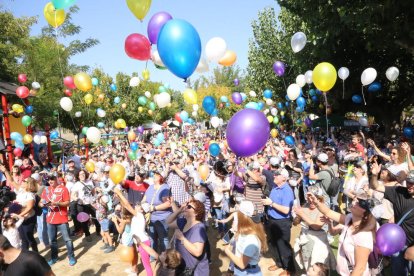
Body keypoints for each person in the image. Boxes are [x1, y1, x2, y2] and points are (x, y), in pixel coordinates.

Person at [307, 191, 377, 275]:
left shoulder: (363, 235)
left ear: (365, 215)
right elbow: (328, 212)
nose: (354, 202)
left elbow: (360, 268)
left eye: (360, 203)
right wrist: (316, 202)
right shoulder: (349, 219)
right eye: (356, 200)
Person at [370, 169, 414, 275]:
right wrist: (374, 175)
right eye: (409, 182)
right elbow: (376, 186)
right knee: (398, 273)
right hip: (397, 243)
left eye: (413, 183)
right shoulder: (399, 191)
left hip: (413, 245)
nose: (410, 185)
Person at [261, 169, 295, 274]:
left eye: (277, 175)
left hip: (282, 223)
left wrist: (271, 203)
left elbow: (286, 210)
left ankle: (289, 269)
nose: (274, 176)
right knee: (275, 244)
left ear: (284, 178)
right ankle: (280, 263)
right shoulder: (276, 187)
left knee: (284, 247)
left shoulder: (287, 191)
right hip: (272, 220)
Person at [292, 193, 336, 272]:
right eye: (309, 198)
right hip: (305, 239)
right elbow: (295, 223)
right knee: (307, 263)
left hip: (318, 242)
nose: (311, 201)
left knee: (319, 267)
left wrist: (302, 214)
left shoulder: (323, 209)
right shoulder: (305, 206)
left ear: (319, 199)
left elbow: (316, 226)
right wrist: (295, 215)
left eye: (313, 198)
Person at [114, 188, 153, 276]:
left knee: (146, 265)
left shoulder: (138, 215)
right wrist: (120, 198)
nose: (137, 206)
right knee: (146, 263)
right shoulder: (138, 216)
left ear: (142, 209)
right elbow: (125, 206)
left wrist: (119, 193)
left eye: (139, 206)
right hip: (142, 242)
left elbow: (127, 205)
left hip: (143, 243)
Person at [224, 200, 268, 275]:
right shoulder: (243, 230)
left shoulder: (251, 239)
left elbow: (242, 264)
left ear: (241, 216)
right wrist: (233, 231)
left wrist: (227, 251)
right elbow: (226, 240)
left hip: (248, 272)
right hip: (240, 270)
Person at [167, 199, 209, 276]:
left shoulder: (199, 228)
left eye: (189, 207)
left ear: (196, 213)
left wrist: (182, 238)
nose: (186, 207)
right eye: (186, 205)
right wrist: (180, 210)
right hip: (183, 267)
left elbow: (197, 252)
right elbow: (168, 222)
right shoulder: (184, 221)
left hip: (196, 271)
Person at [41, 174, 76, 266]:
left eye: (52, 179)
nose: (50, 181)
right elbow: (41, 202)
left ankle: (71, 256)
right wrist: (43, 204)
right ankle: (54, 258)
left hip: (62, 218)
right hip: (50, 219)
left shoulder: (63, 188)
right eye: (49, 180)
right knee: (52, 240)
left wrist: (57, 203)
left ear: (56, 179)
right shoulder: (46, 190)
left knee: (67, 239)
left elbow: (68, 203)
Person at [2, 166, 38, 253]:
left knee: (29, 237)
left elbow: (29, 208)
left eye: (24, 181)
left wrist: (18, 216)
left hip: (28, 219)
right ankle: (24, 257)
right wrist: (5, 171)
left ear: (29, 184)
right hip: (19, 218)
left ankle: (36, 254)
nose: (22, 181)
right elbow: (11, 181)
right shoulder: (21, 190)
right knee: (23, 239)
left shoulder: (30, 194)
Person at [142, 171, 172, 255]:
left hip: (162, 218)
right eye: (153, 175)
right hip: (151, 218)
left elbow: (168, 204)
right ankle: (153, 256)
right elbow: (144, 199)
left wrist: (154, 208)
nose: (153, 176)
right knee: (152, 238)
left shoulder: (165, 188)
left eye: (156, 175)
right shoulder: (150, 187)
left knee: (163, 238)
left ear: (161, 177)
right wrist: (142, 205)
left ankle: (165, 258)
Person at [71, 169, 101, 241]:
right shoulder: (76, 184)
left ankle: (98, 231)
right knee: (84, 220)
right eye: (81, 174)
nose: (82, 175)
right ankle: (87, 235)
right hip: (82, 205)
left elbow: (93, 192)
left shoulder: (90, 181)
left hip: (91, 203)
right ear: (78, 176)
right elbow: (73, 195)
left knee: (96, 217)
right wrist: (78, 199)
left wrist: (96, 199)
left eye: (83, 174)